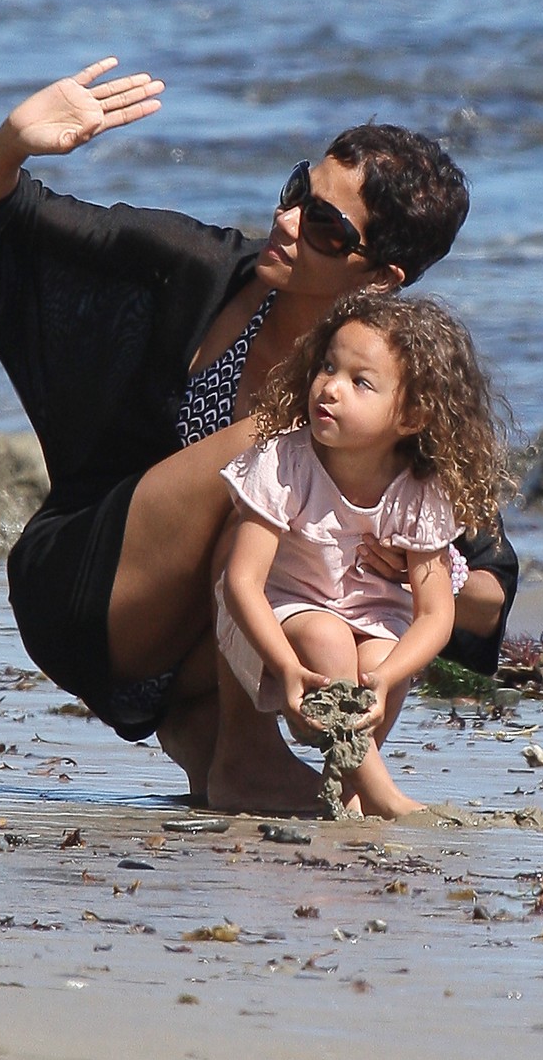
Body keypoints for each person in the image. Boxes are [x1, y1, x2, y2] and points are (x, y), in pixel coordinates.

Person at [0, 57, 518, 812]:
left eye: (326, 227)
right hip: (91, 590)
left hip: (198, 656)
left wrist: (412, 567)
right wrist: (11, 143)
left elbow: (488, 597)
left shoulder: (399, 387)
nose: (288, 222)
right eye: (297, 191)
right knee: (275, 454)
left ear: (380, 277)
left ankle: (231, 753)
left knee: (345, 589)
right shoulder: (192, 268)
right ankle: (244, 755)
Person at [217, 292, 509, 818]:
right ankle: (383, 796)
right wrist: (286, 666)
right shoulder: (285, 462)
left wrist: (388, 677)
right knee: (328, 636)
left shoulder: (421, 490)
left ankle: (352, 791)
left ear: (413, 415)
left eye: (360, 382)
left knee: (380, 658)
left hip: (372, 620)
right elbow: (241, 582)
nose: (330, 387)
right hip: (277, 617)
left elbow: (435, 615)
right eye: (328, 367)